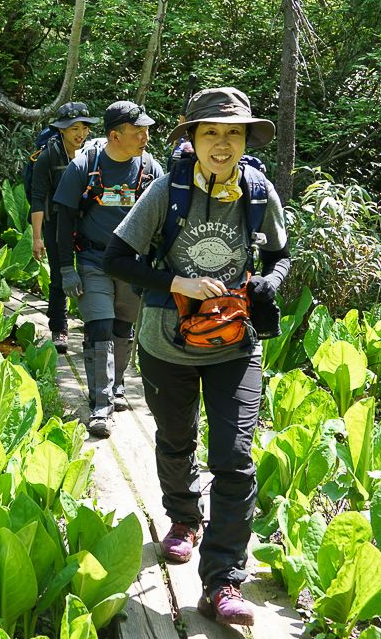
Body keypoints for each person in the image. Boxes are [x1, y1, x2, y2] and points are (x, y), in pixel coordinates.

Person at [102, 87, 290, 627]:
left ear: (245, 139)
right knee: (177, 438)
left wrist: (268, 284)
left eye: (233, 132)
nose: (223, 143)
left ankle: (222, 582)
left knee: (234, 456)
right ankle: (184, 519)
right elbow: (117, 257)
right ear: (192, 138)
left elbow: (279, 254)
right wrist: (177, 280)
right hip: (167, 342)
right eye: (211, 132)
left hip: (236, 344)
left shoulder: (258, 192)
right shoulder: (166, 191)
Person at [53, 101, 163, 439]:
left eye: (146, 129)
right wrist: (65, 270)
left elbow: (164, 222)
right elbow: (64, 221)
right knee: (98, 327)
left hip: (133, 264)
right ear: (115, 135)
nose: (145, 136)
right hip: (93, 260)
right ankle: (100, 406)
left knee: (122, 327)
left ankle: (114, 386)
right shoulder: (84, 166)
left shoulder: (150, 169)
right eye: (137, 131)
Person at [29, 102, 99, 352]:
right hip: (57, 223)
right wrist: (37, 238)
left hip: (86, 222)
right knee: (60, 276)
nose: (80, 134)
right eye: (74, 129)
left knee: (91, 273)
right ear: (61, 130)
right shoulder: (48, 156)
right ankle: (59, 328)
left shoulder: (93, 155)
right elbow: (38, 197)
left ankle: (94, 327)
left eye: (84, 128)